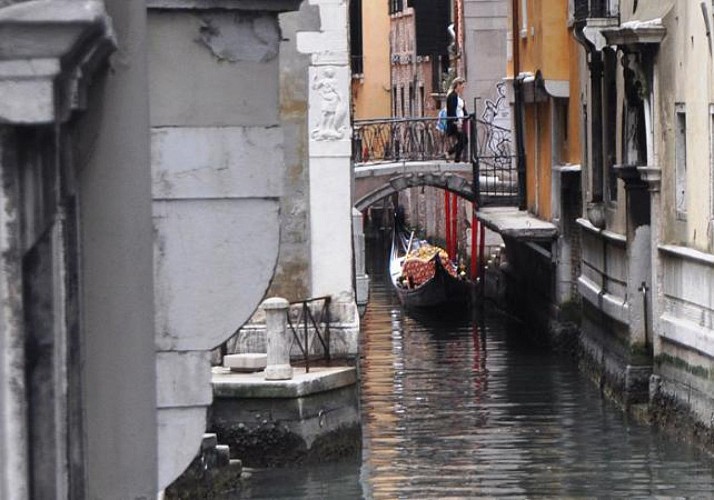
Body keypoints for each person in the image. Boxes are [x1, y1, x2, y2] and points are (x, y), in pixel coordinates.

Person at [445, 77, 468, 162]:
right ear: (457, 85)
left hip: (460, 122)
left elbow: (462, 110)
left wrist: (467, 117)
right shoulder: (452, 96)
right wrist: (456, 122)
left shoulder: (457, 97)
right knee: (463, 140)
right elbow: (452, 110)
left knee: (463, 140)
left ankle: (455, 157)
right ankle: (452, 155)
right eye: (462, 86)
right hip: (455, 123)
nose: (463, 88)